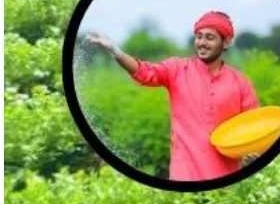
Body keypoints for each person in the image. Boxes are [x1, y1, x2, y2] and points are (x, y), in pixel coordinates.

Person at [86, 11, 260, 182]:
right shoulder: (177, 69)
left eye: (209, 37)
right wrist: (116, 51)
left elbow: (252, 128)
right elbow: (145, 71)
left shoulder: (240, 83)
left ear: (226, 42)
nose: (202, 42)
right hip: (184, 174)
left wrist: (252, 154)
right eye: (199, 36)